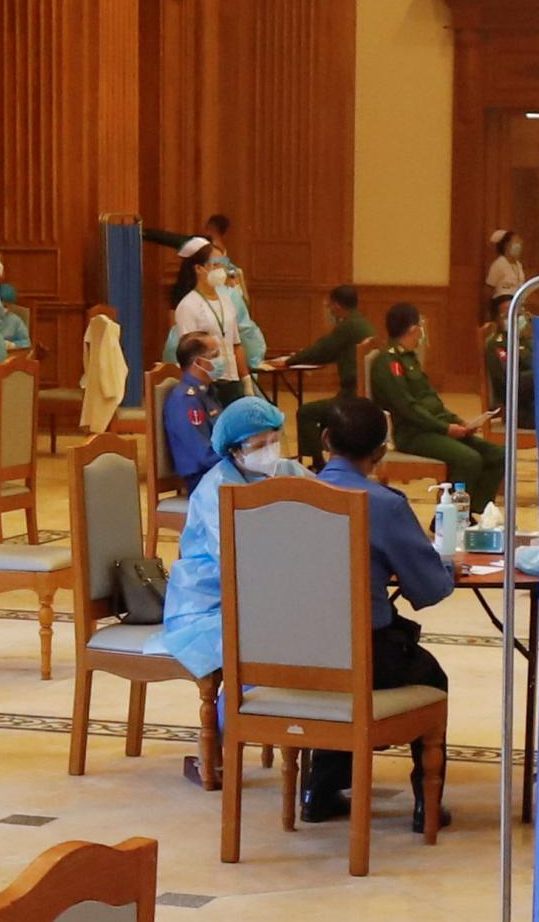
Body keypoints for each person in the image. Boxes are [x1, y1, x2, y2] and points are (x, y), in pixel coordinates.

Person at [298, 396, 454, 830]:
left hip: (288, 656)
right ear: (381, 451)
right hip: (361, 655)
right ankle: (427, 803)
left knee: (338, 661)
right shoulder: (384, 504)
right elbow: (432, 587)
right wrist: (441, 565)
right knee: (428, 674)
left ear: (325, 439)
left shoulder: (276, 499)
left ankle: (319, 790)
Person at [150, 397, 312, 785]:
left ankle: (311, 740)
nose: (269, 451)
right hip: (209, 601)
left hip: (270, 594)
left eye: (274, 439)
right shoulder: (216, 489)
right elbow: (237, 560)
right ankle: (221, 746)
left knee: (310, 638)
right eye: (258, 446)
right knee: (255, 647)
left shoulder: (288, 471)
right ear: (234, 451)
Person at [370, 301, 504, 516]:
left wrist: (458, 421)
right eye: (420, 327)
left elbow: (431, 400)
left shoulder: (409, 358)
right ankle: (450, 518)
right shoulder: (388, 362)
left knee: (497, 455)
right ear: (413, 329)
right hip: (414, 433)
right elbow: (409, 408)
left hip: (435, 427)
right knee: (469, 459)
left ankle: (474, 512)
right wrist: (446, 428)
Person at [286, 285, 375, 469]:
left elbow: (323, 349)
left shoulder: (348, 326)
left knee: (307, 412)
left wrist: (290, 360)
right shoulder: (363, 324)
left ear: (337, 305)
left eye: (330, 306)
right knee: (321, 413)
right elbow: (330, 351)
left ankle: (318, 463)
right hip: (360, 394)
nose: (329, 310)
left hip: (350, 398)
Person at [169, 237, 246, 403]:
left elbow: (236, 345)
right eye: (215, 265)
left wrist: (246, 383)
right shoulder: (188, 306)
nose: (221, 270)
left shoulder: (227, 300)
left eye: (222, 264)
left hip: (232, 382)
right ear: (198, 268)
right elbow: (189, 353)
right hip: (208, 385)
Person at [159, 334, 226, 496]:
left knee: (285, 470)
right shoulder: (185, 400)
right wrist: (240, 460)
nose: (221, 359)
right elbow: (204, 454)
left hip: (221, 474)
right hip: (204, 482)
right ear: (199, 362)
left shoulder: (208, 393)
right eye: (215, 354)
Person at [485, 291, 536, 431]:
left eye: (518, 314)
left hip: (537, 402)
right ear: (496, 320)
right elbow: (509, 383)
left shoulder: (525, 341)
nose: (516, 318)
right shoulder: (496, 345)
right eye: (508, 315)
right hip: (519, 410)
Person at [485, 227, 527, 314]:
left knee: (526, 323)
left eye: (520, 242)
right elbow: (489, 289)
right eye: (516, 242)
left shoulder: (519, 265)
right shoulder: (499, 264)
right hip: (503, 303)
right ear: (507, 245)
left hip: (517, 303)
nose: (519, 245)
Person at [0, 282, 31, 361]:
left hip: (9, 358)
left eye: (6, 306)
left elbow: (26, 343)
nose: (2, 309)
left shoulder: (15, 321)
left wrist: (13, 345)